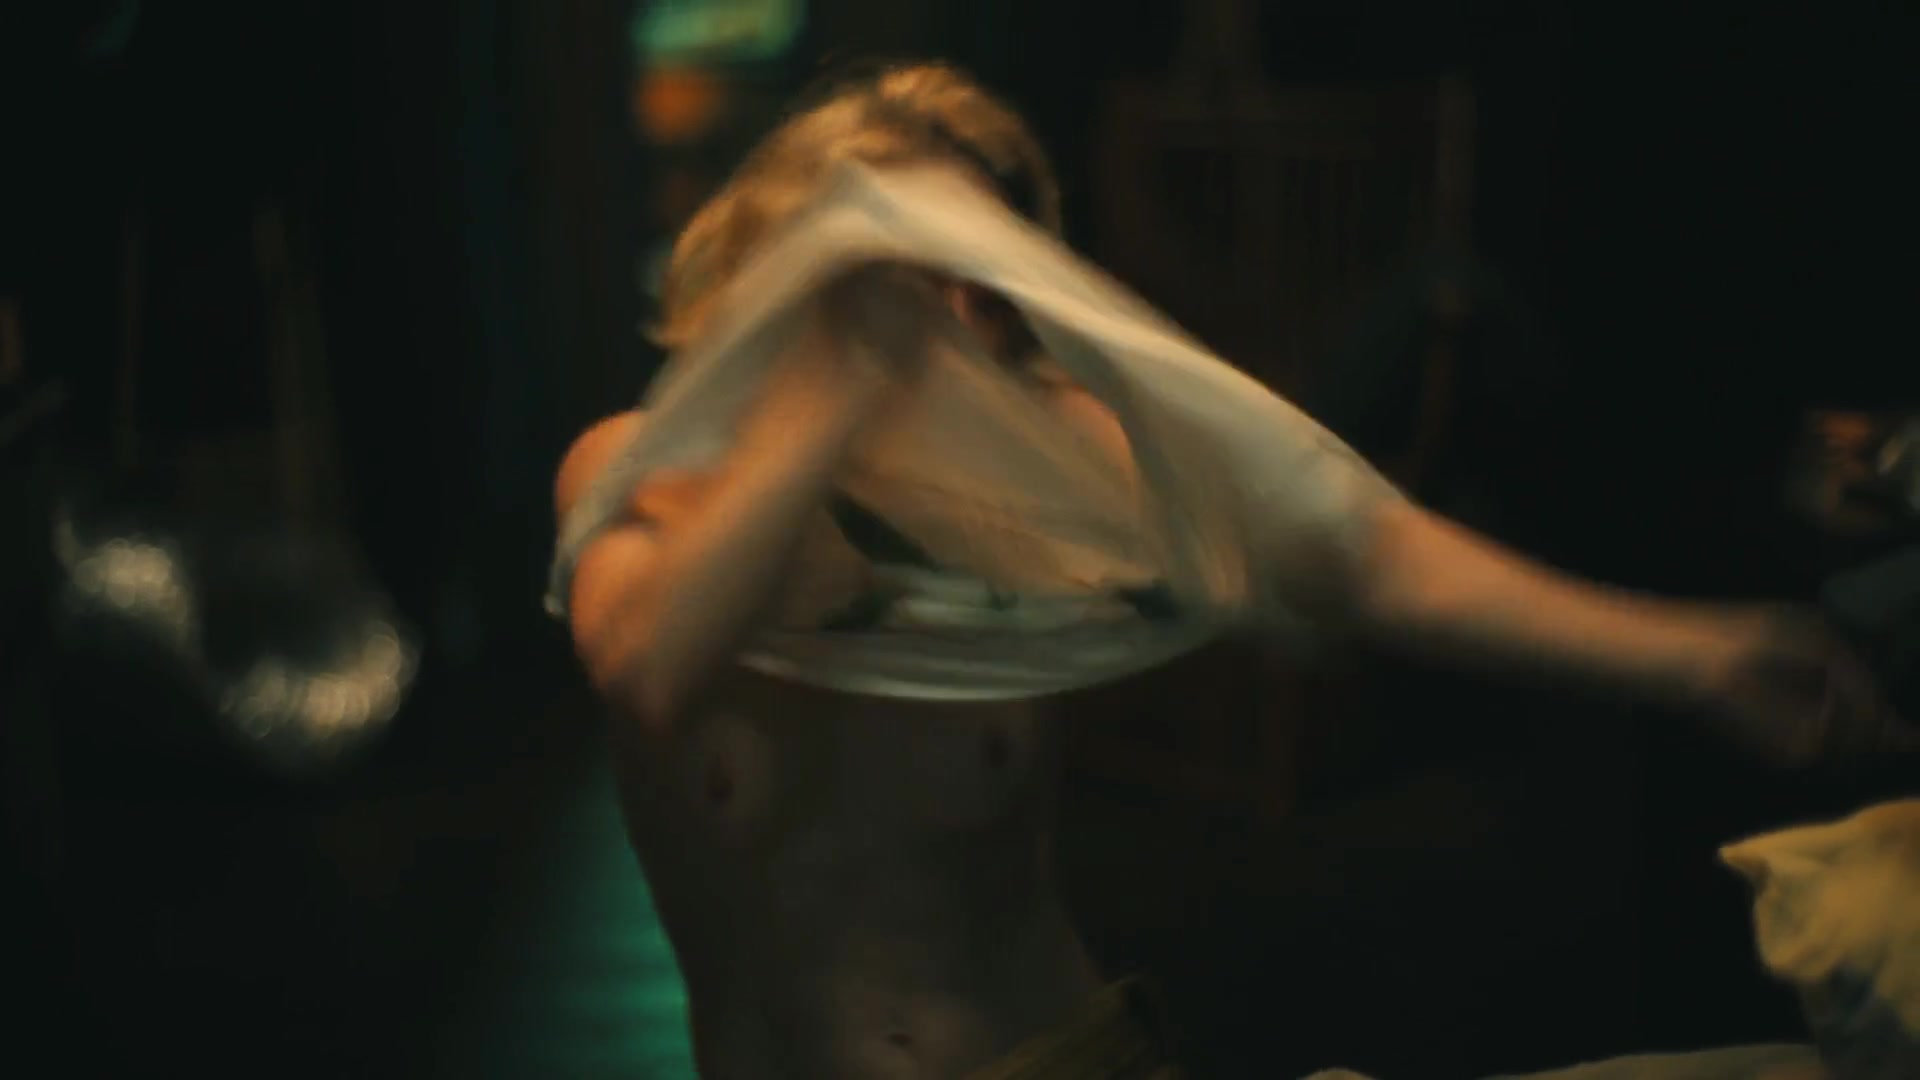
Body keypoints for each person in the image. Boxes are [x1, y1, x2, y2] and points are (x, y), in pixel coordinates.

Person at [553, 62, 1897, 1079]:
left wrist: (1699, 657)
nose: (941, 314)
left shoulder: (1051, 469)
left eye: (979, 277)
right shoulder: (644, 472)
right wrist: (841, 366)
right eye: (903, 263)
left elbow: (1352, 547)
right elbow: (644, 655)